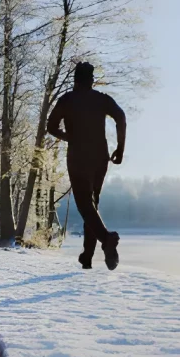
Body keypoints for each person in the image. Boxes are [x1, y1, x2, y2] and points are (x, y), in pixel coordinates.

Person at [46, 62, 126, 270]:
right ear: (91, 80)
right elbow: (121, 118)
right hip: (100, 156)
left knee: (84, 204)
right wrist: (120, 148)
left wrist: (68, 136)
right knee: (92, 204)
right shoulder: (102, 99)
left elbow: (50, 127)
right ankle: (88, 256)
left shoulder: (67, 100)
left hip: (78, 155)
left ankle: (106, 240)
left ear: (75, 79)